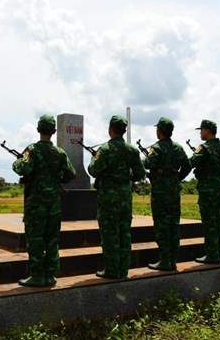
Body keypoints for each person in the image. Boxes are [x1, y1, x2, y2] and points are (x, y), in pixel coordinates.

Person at [12, 114, 76, 287]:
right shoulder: (59, 152)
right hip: (54, 204)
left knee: (35, 240)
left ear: (38, 129)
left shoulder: (32, 150)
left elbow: (21, 168)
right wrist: (56, 178)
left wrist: (17, 161)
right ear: (54, 131)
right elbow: (71, 173)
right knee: (52, 239)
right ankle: (50, 274)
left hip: (35, 204)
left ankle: (37, 275)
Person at [88, 115, 146, 279]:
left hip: (108, 198)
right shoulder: (132, 150)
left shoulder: (104, 149)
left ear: (111, 129)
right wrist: (126, 179)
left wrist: (94, 157)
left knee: (109, 234)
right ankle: (123, 269)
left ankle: (111, 270)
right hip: (125, 197)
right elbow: (140, 173)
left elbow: (93, 170)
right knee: (124, 233)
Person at [143, 117, 192, 271]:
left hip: (160, 192)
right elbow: (187, 166)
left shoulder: (156, 148)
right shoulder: (178, 148)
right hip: (174, 191)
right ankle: (173, 260)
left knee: (161, 225)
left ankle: (164, 261)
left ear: (160, 131)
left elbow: (147, 164)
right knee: (173, 225)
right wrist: (177, 178)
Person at [189, 119, 220, 264]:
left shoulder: (204, 148)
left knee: (209, 222)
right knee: (218, 221)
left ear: (208, 131)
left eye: (201, 130)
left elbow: (190, 162)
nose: (200, 132)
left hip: (207, 189)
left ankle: (212, 255)